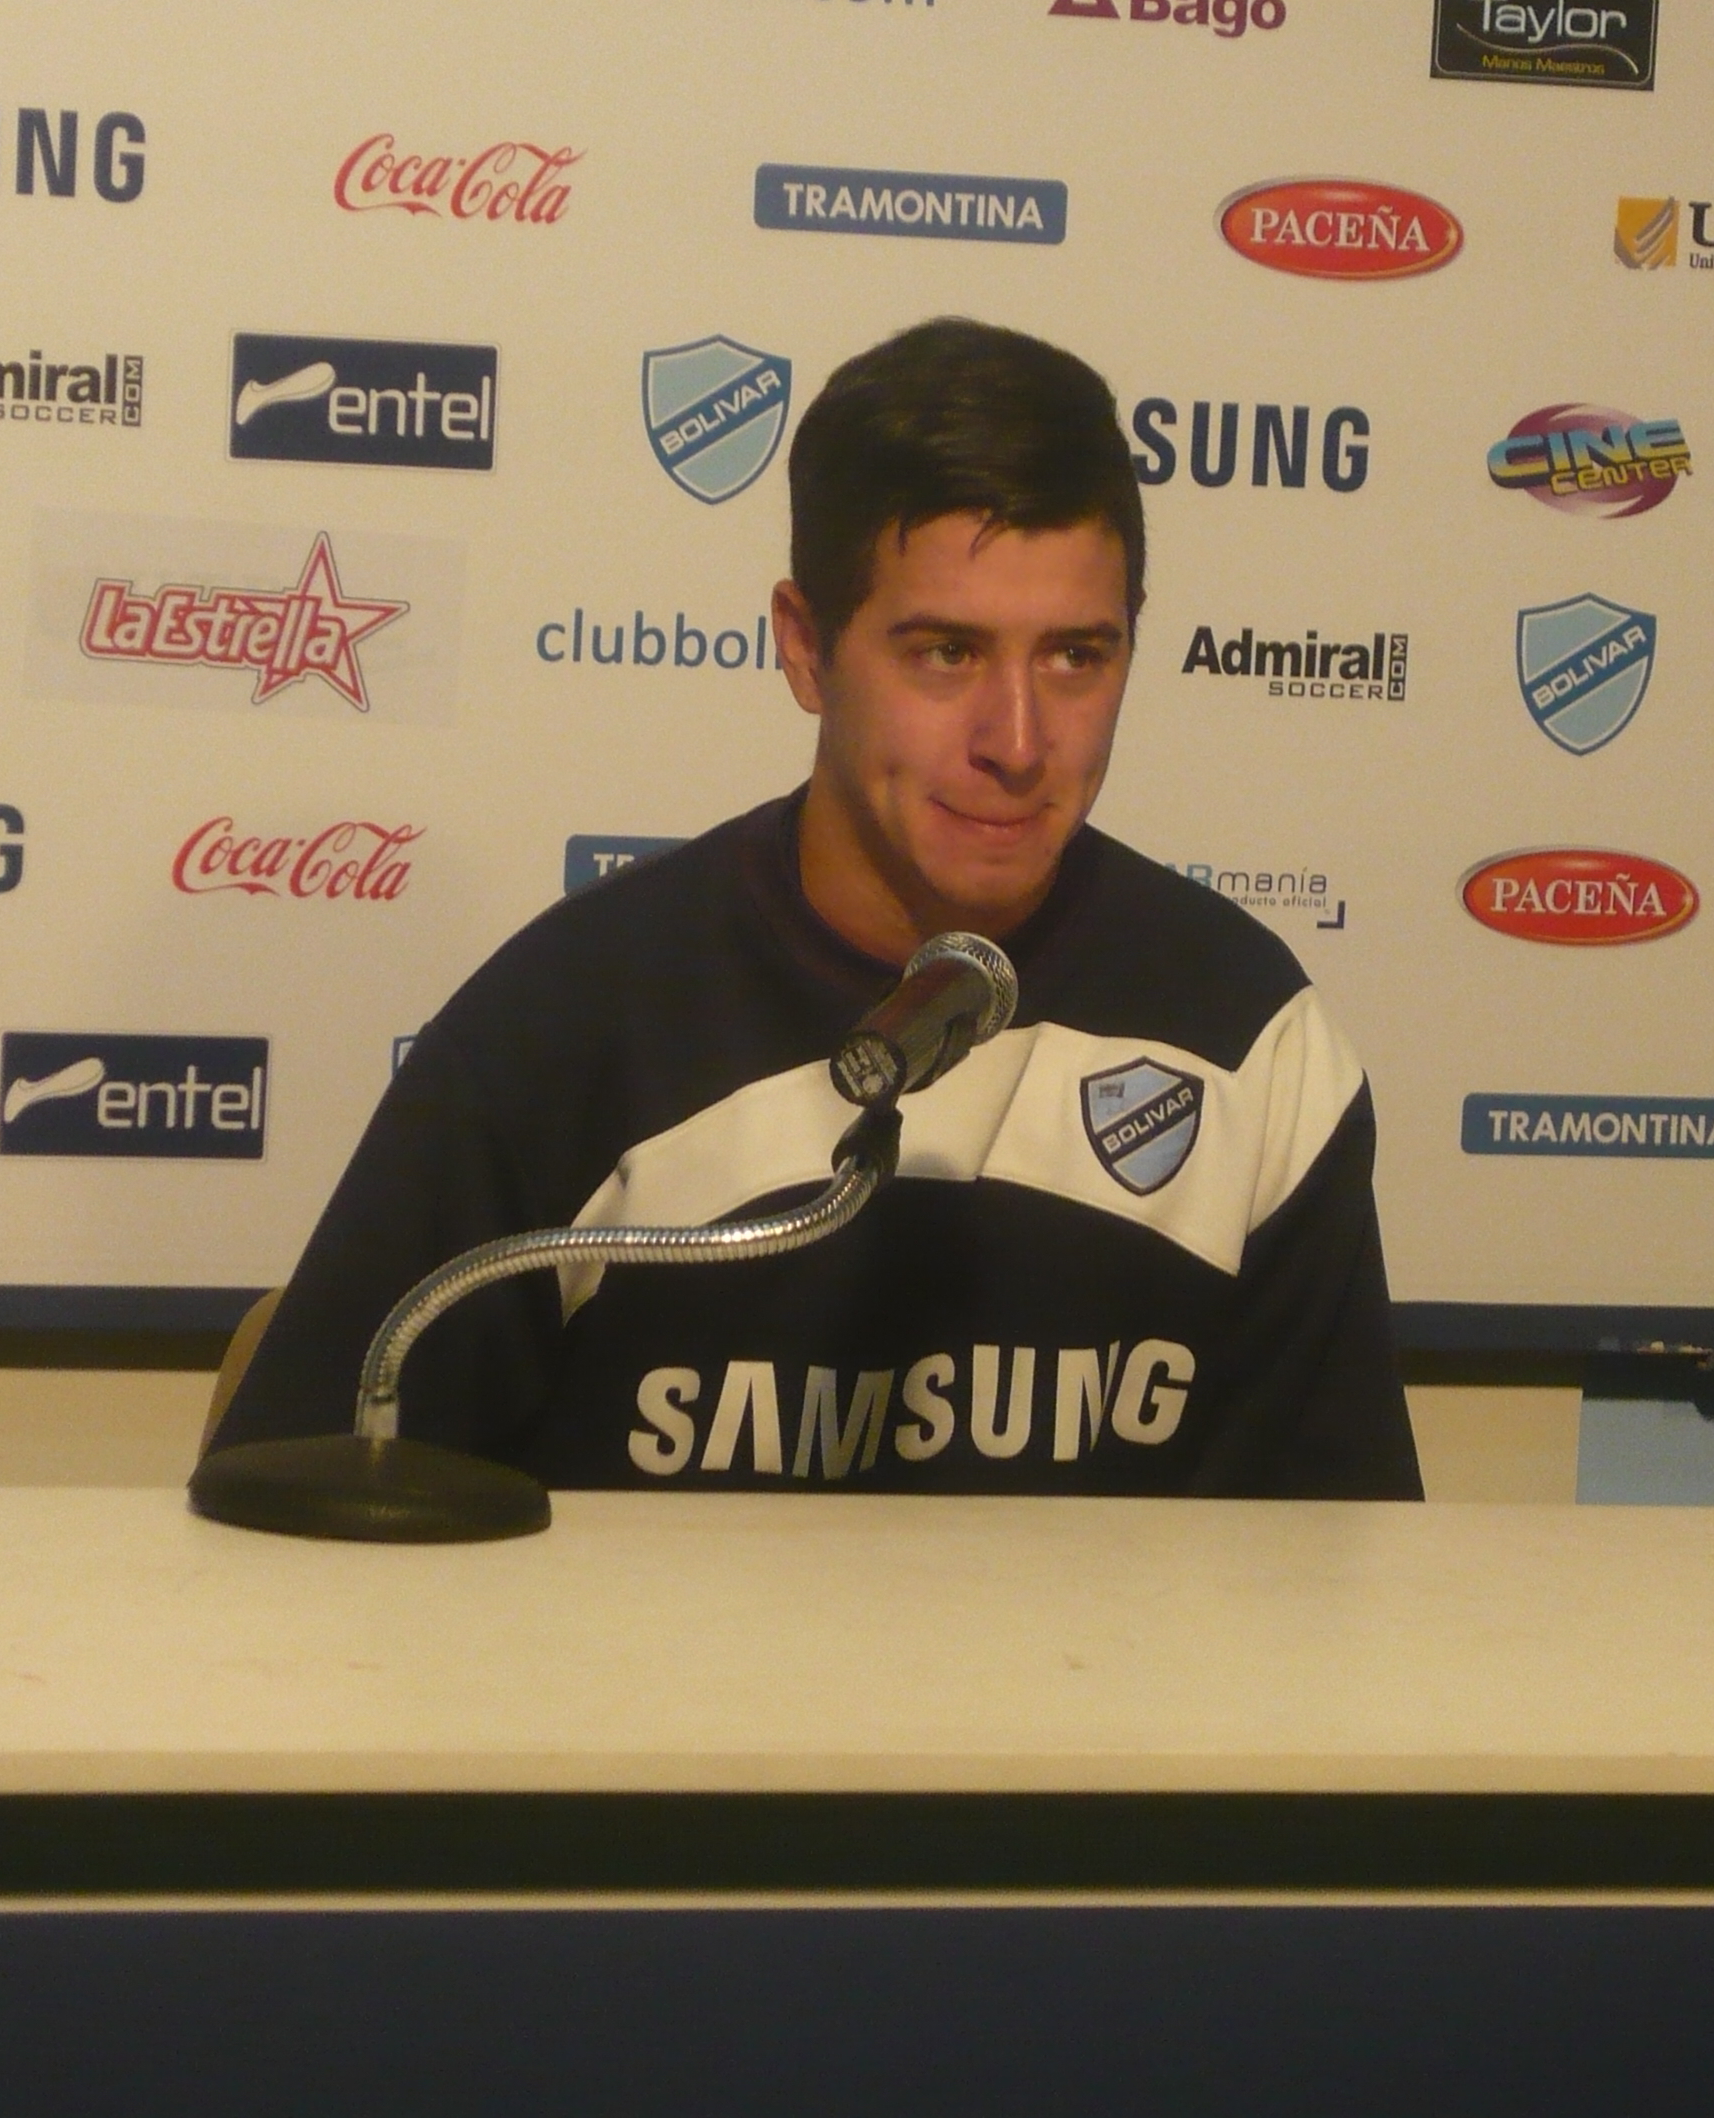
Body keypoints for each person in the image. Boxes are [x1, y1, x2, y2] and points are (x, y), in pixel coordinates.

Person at [206, 317, 1421, 1497]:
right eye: (944, 653)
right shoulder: (568, 1028)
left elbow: (1329, 1598)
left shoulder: (1253, 1040)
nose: (1017, 741)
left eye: (1075, 657)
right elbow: (313, 1533)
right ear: (805, 647)